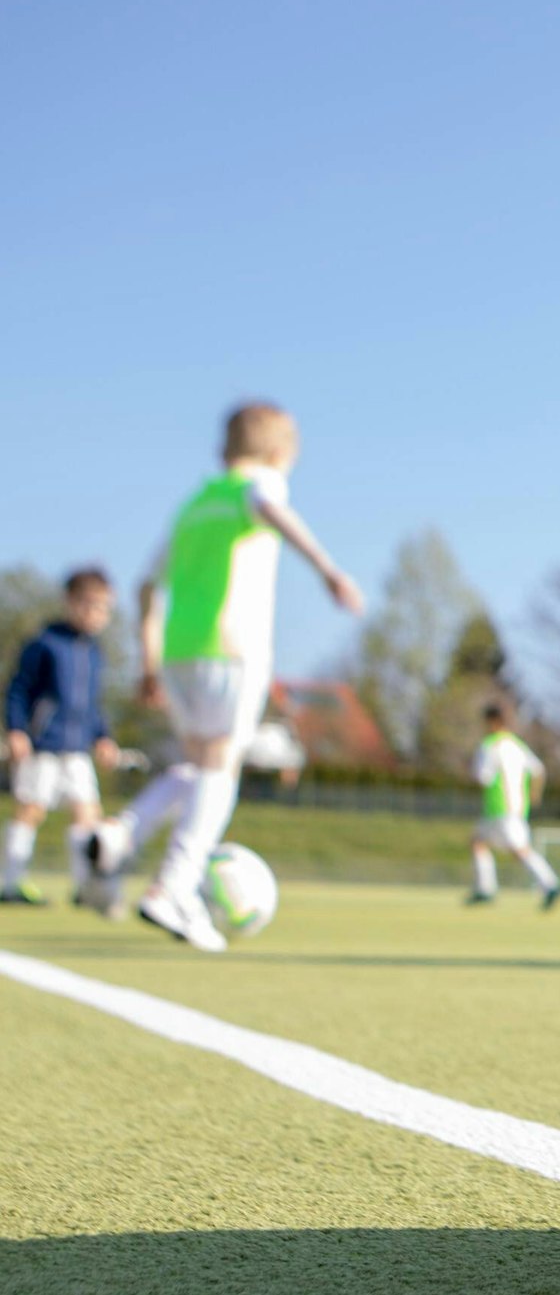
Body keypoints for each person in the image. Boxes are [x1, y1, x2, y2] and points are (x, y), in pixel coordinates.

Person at [89, 403, 365, 950]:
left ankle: (123, 833)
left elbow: (146, 585)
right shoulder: (257, 485)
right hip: (232, 650)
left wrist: (147, 658)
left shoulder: (193, 504)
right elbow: (271, 507)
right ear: (278, 454)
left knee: (196, 766)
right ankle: (173, 887)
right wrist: (328, 570)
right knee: (220, 771)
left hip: (178, 651)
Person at [4, 569, 120, 907]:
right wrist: (16, 729)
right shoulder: (45, 643)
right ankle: (11, 883)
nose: (97, 614)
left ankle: (86, 888)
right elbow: (18, 690)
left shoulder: (95, 652)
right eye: (91, 605)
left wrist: (103, 736)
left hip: (77, 748)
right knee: (31, 809)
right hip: (43, 745)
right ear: (71, 602)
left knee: (88, 814)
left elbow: (92, 703)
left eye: (104, 608)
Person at [467, 703, 560, 910]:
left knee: (520, 850)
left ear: (491, 721)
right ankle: (485, 888)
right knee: (478, 842)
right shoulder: (517, 745)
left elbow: (482, 777)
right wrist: (534, 793)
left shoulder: (490, 745)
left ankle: (550, 884)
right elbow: (538, 770)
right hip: (516, 807)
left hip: (499, 807)